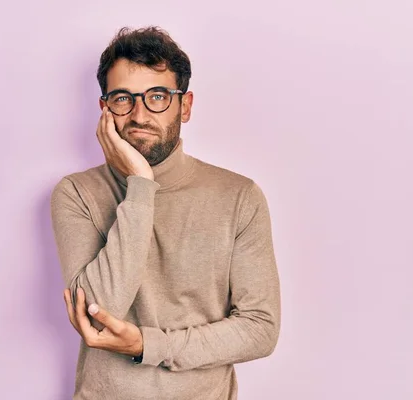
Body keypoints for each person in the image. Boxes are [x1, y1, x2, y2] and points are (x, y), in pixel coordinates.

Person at [51, 26, 281, 400]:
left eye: (157, 96)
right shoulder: (76, 193)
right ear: (105, 109)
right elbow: (97, 316)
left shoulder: (239, 196)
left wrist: (147, 345)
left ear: (184, 106)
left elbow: (260, 329)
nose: (140, 114)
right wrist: (141, 183)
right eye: (123, 98)